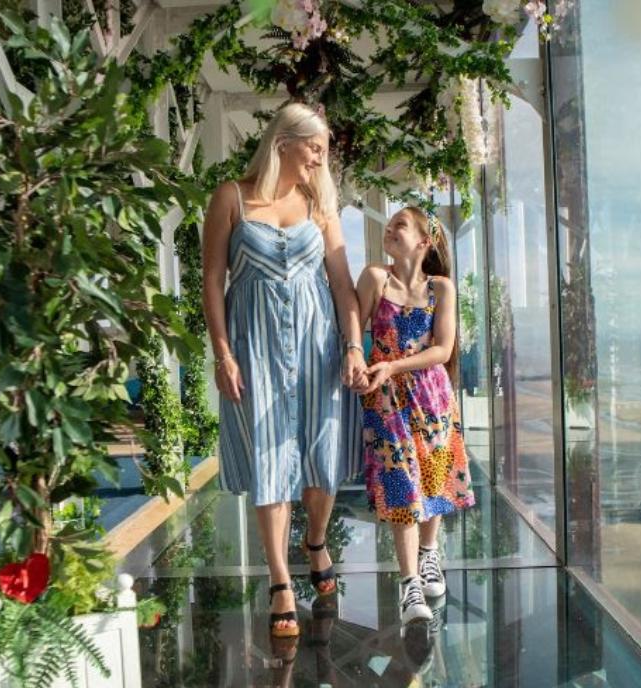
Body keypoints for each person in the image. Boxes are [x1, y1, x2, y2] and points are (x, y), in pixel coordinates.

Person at [202, 103, 366, 639]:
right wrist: (222, 353)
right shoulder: (231, 197)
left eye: (324, 150)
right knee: (269, 457)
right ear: (283, 143)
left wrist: (354, 346)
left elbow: (341, 284)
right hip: (256, 347)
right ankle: (279, 580)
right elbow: (212, 280)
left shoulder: (319, 203)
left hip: (319, 345)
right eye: (315, 147)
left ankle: (314, 540)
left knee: (321, 455)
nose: (320, 158)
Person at [355, 207, 475, 624]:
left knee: (433, 476)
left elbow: (442, 350)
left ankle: (428, 553)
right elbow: (352, 329)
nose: (389, 229)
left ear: (424, 242)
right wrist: (362, 363)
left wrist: (394, 365)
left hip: (432, 396)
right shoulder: (375, 278)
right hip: (386, 399)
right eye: (389, 225)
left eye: (400, 226)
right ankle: (409, 584)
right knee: (401, 485)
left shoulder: (441, 288)